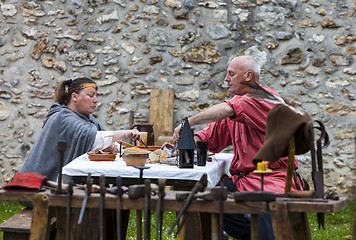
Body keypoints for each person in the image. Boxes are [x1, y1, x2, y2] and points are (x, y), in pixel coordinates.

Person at [173, 55, 303, 240]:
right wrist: (184, 140)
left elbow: (228, 109)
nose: (226, 79)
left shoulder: (265, 97)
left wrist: (189, 122)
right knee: (202, 200)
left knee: (256, 214)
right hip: (245, 180)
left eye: (231, 74)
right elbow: (211, 135)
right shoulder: (237, 105)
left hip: (271, 179)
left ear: (249, 76)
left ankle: (264, 232)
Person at [21, 77, 142, 181]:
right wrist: (125, 133)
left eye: (96, 96)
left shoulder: (87, 118)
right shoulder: (62, 117)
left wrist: (119, 148)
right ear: (74, 96)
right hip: (43, 183)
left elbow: (100, 138)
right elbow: (91, 138)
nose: (96, 100)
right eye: (90, 95)